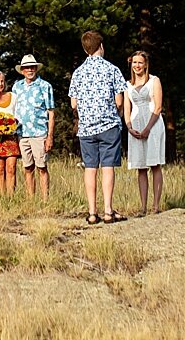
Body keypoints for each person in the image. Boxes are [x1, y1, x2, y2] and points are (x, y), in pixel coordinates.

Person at [67, 30, 126, 224]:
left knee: (90, 168)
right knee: (108, 167)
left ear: (86, 50)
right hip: (108, 124)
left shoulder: (78, 73)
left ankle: (92, 212)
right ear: (101, 46)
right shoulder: (112, 69)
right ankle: (108, 210)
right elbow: (119, 100)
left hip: (86, 128)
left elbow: (73, 104)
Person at [123, 50, 166, 215]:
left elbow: (158, 107)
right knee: (140, 167)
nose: (137, 66)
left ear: (146, 64)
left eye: (140, 62)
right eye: (134, 62)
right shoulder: (127, 85)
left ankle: (155, 206)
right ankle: (143, 207)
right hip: (136, 125)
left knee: (154, 165)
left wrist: (148, 128)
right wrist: (129, 127)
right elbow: (127, 108)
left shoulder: (154, 81)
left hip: (152, 125)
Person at [10, 54, 55, 199]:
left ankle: (45, 199)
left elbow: (51, 113)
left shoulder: (45, 86)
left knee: (42, 167)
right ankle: (31, 199)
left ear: (36, 68)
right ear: (22, 70)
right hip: (22, 134)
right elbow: (13, 110)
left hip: (39, 133)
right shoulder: (17, 87)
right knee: (27, 167)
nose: (29, 70)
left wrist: (50, 136)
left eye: (32, 67)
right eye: (26, 67)